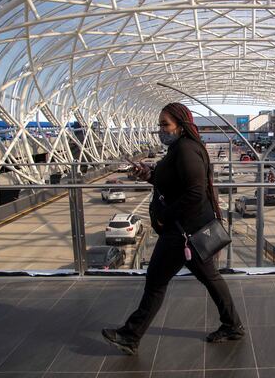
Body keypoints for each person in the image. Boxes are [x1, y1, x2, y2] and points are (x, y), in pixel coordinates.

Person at [102, 103, 243, 355]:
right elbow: (171, 181)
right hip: (189, 231)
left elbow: (195, 193)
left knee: (156, 282)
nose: (161, 130)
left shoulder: (186, 150)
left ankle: (130, 335)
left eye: (165, 124)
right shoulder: (178, 149)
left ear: (181, 124)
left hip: (182, 234)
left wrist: (166, 216)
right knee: (210, 277)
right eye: (159, 125)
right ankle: (233, 325)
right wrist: (147, 174)